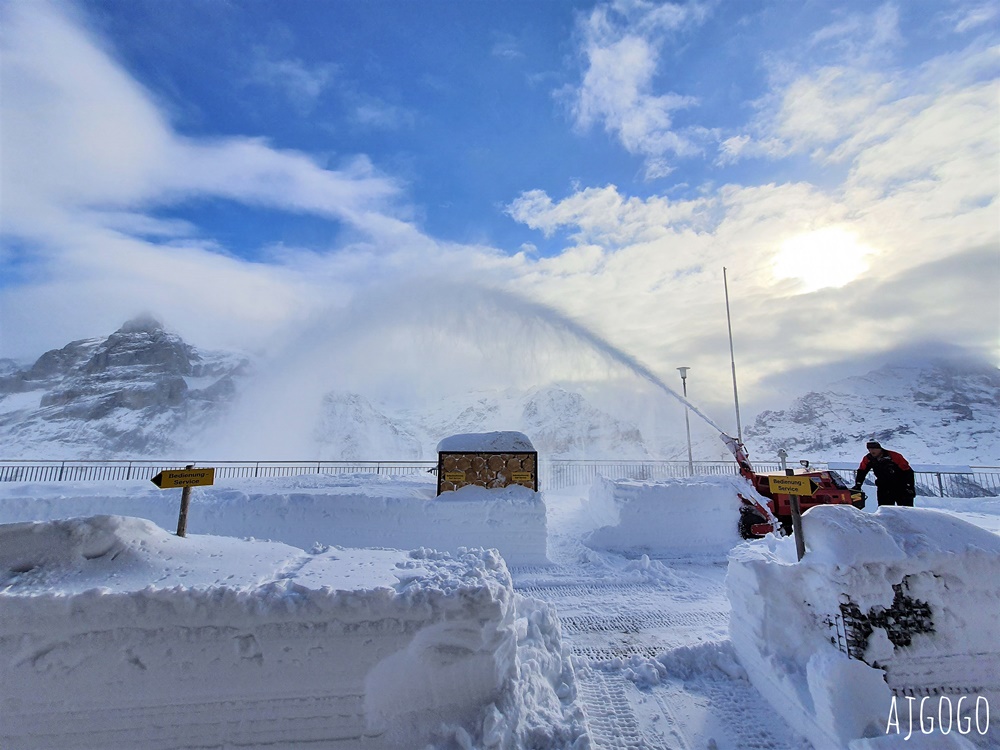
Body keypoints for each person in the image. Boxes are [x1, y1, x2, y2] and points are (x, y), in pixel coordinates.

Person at [853, 441, 916, 507]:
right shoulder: (868, 458)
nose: (871, 451)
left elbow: (907, 471)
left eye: (874, 449)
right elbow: (862, 471)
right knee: (885, 510)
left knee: (906, 510)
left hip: (901, 487)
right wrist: (858, 485)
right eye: (869, 449)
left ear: (880, 448)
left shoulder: (894, 456)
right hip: (883, 487)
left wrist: (909, 487)